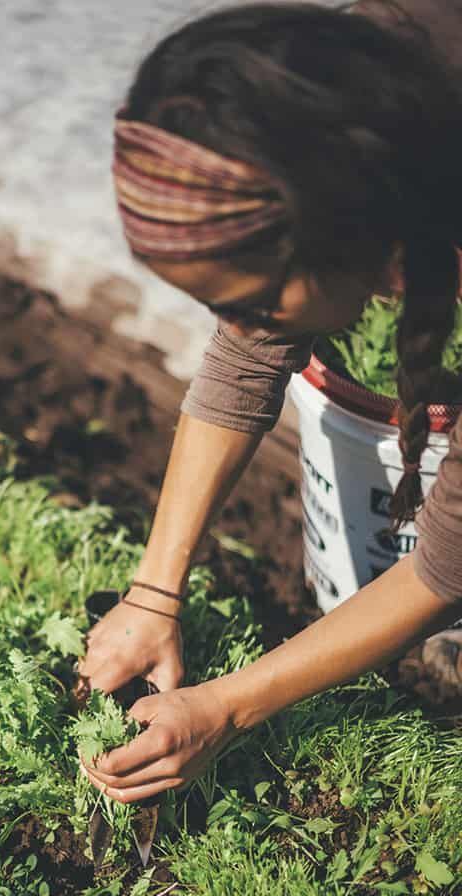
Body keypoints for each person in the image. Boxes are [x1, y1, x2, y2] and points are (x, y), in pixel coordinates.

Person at [79, 0, 462, 804]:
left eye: (251, 303)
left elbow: (451, 558)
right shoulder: (343, 103)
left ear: (346, 238)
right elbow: (249, 357)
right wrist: (153, 592)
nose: (239, 329)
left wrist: (226, 707)